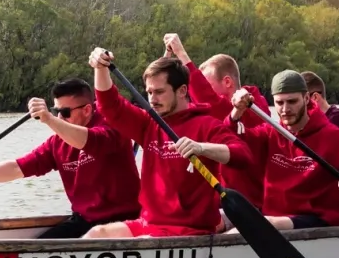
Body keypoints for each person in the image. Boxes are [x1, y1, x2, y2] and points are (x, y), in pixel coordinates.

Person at [85, 49, 253, 239]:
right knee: (95, 234)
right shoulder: (148, 123)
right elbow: (109, 106)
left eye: (159, 92)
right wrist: (100, 68)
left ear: (182, 91)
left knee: (142, 243)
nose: (152, 100)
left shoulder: (207, 125)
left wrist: (201, 148)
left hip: (190, 229)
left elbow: (243, 155)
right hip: (149, 223)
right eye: (149, 92)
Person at [0, 79, 142, 238]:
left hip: (124, 221)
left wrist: (49, 118)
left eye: (65, 113)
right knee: (38, 247)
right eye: (57, 112)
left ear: (87, 110)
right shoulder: (57, 142)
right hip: (84, 220)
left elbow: (89, 141)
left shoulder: (114, 126)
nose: (60, 118)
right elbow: (16, 168)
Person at [228, 70, 339, 229]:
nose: (285, 109)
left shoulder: (336, 137)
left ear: (307, 98)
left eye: (292, 101)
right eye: (279, 103)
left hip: (318, 220)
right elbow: (229, 140)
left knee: (258, 224)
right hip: (275, 220)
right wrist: (236, 112)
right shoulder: (269, 133)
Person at [162, 34, 268, 204]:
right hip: (221, 201)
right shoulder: (214, 115)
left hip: (248, 205)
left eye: (208, 85)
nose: (197, 95)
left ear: (227, 82)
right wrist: (167, 58)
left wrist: (181, 53)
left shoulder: (253, 109)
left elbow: (208, 98)